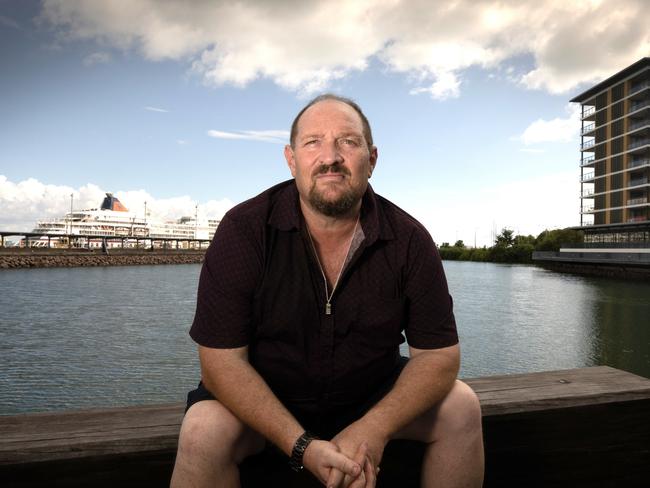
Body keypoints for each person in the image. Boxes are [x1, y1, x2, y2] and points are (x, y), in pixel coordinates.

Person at [170, 94, 484, 488]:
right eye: (313, 142)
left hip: (369, 396)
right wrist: (301, 445)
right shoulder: (243, 230)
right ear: (291, 159)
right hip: (266, 401)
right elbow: (220, 362)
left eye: (348, 142)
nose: (330, 157)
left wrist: (375, 427)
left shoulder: (410, 240)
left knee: (461, 407)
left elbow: (438, 357)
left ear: (372, 159)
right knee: (203, 428)